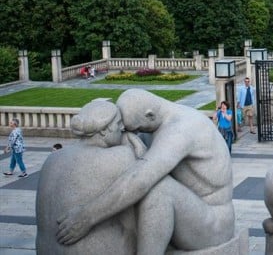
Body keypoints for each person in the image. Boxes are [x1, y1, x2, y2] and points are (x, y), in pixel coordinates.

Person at [56, 89, 236, 253]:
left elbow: (141, 179)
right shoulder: (155, 121)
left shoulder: (183, 128)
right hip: (190, 210)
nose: (132, 133)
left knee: (158, 190)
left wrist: (87, 216)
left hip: (213, 225)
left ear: (149, 115)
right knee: (130, 188)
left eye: (136, 129)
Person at [37, 101, 141, 254]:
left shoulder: (52, 159)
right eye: (119, 123)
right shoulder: (121, 157)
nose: (122, 129)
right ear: (105, 130)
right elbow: (131, 227)